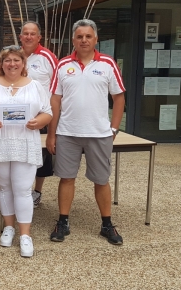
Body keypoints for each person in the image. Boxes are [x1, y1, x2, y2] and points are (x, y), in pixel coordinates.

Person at [46, 19, 126, 245]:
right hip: (67, 133)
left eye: (88, 36)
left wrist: (114, 128)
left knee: (101, 180)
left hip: (99, 133)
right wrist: (52, 134)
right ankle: (63, 221)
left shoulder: (108, 64)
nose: (84, 40)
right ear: (73, 40)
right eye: (79, 36)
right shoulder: (62, 65)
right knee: (66, 177)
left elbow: (119, 97)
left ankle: (107, 224)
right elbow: (55, 101)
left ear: (96, 39)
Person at [0, 46, 52, 257]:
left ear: (23, 64)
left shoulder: (35, 86)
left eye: (16, 60)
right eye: (8, 60)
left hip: (25, 142)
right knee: (4, 187)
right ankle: (9, 227)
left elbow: (48, 112)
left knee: (23, 189)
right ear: (1, 63)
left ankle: (25, 235)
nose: (12, 64)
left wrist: (38, 122)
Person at [20, 21, 58, 208]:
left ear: (39, 37)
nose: (28, 37)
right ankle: (21, 191)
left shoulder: (47, 57)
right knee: (21, 155)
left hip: (42, 115)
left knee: (41, 157)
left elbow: (57, 85)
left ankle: (37, 192)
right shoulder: (15, 55)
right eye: (25, 33)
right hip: (18, 116)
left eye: (32, 34)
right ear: (20, 37)